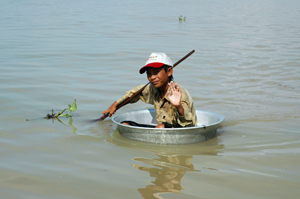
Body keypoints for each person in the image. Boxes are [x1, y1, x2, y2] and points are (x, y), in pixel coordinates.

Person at [102, 52, 198, 128]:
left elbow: (189, 124)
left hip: (180, 130)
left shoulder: (178, 92)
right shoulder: (152, 88)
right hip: (161, 129)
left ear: (169, 71)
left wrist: (178, 106)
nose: (152, 77)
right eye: (149, 74)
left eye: (156, 72)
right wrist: (115, 105)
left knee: (160, 127)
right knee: (125, 124)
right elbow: (134, 94)